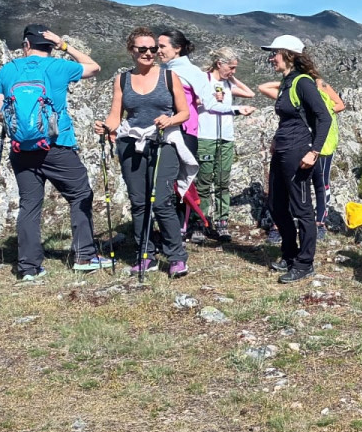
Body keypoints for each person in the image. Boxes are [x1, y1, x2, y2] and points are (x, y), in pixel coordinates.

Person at [0, 25, 108, 280]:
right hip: (57, 145)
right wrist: (64, 45)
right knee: (80, 194)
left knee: (30, 204)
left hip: (22, 149)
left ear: (26, 45)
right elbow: (94, 67)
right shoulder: (59, 67)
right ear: (50, 46)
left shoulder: (9, 70)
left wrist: (24, 124)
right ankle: (84, 256)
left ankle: (29, 268)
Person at [94, 28, 192, 277]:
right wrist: (106, 127)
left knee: (161, 201)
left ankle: (176, 257)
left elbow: (184, 113)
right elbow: (116, 116)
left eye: (153, 49)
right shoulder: (122, 80)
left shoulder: (170, 77)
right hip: (130, 143)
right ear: (132, 51)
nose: (150, 53)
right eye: (143, 49)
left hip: (163, 142)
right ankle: (144, 255)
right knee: (139, 203)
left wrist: (168, 121)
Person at [262, 35, 331, 283]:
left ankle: (305, 262)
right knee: (277, 206)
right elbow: (288, 118)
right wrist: (275, 140)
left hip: (298, 153)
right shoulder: (287, 82)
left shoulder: (303, 83)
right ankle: (290, 254)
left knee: (302, 209)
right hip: (282, 150)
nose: (271, 58)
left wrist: (314, 152)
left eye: (275, 53)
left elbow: (324, 118)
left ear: (288, 54)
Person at [257, 75, 343, 241]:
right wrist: (284, 83)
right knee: (291, 183)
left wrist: (322, 109)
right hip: (301, 141)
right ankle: (281, 225)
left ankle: (320, 223)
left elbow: (339, 105)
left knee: (321, 182)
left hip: (323, 143)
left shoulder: (321, 85)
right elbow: (263, 87)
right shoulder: (293, 87)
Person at [157, 29, 212, 240]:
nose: (158, 50)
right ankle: (170, 227)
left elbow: (209, 100)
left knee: (181, 180)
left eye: (162, 46)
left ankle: (181, 227)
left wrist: (192, 105)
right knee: (165, 181)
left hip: (185, 131)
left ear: (177, 48)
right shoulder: (161, 70)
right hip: (164, 130)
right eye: (158, 46)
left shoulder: (191, 71)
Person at [198, 47, 257, 241]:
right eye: (231, 67)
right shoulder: (202, 79)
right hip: (205, 136)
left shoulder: (228, 84)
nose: (233, 71)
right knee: (204, 181)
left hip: (226, 137)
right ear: (219, 63)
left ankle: (222, 223)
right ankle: (201, 222)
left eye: (235, 68)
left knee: (223, 181)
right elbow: (193, 101)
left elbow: (250, 93)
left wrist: (231, 79)